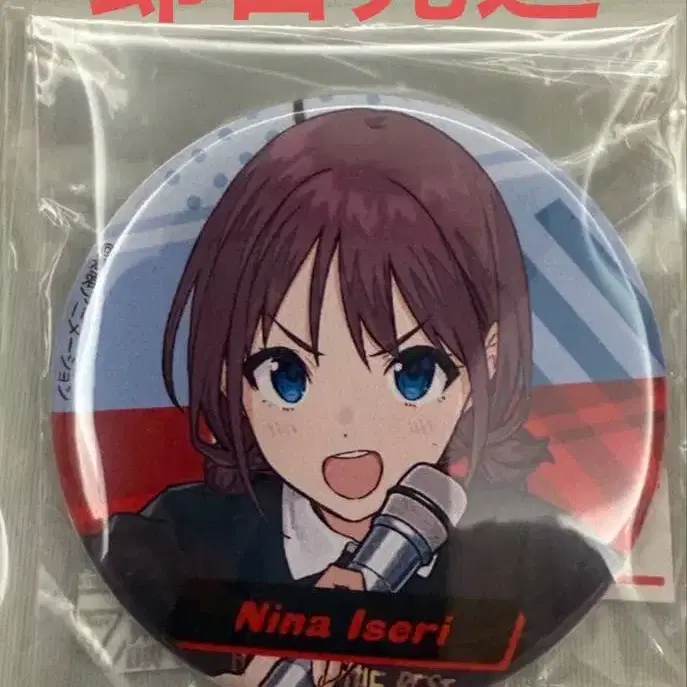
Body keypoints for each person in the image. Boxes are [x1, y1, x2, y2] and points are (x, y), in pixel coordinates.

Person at [87, 106, 615, 686]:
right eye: (286, 374)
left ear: (484, 366)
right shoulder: (173, 544)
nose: (347, 423)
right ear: (227, 374)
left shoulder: (543, 563)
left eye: (412, 373)